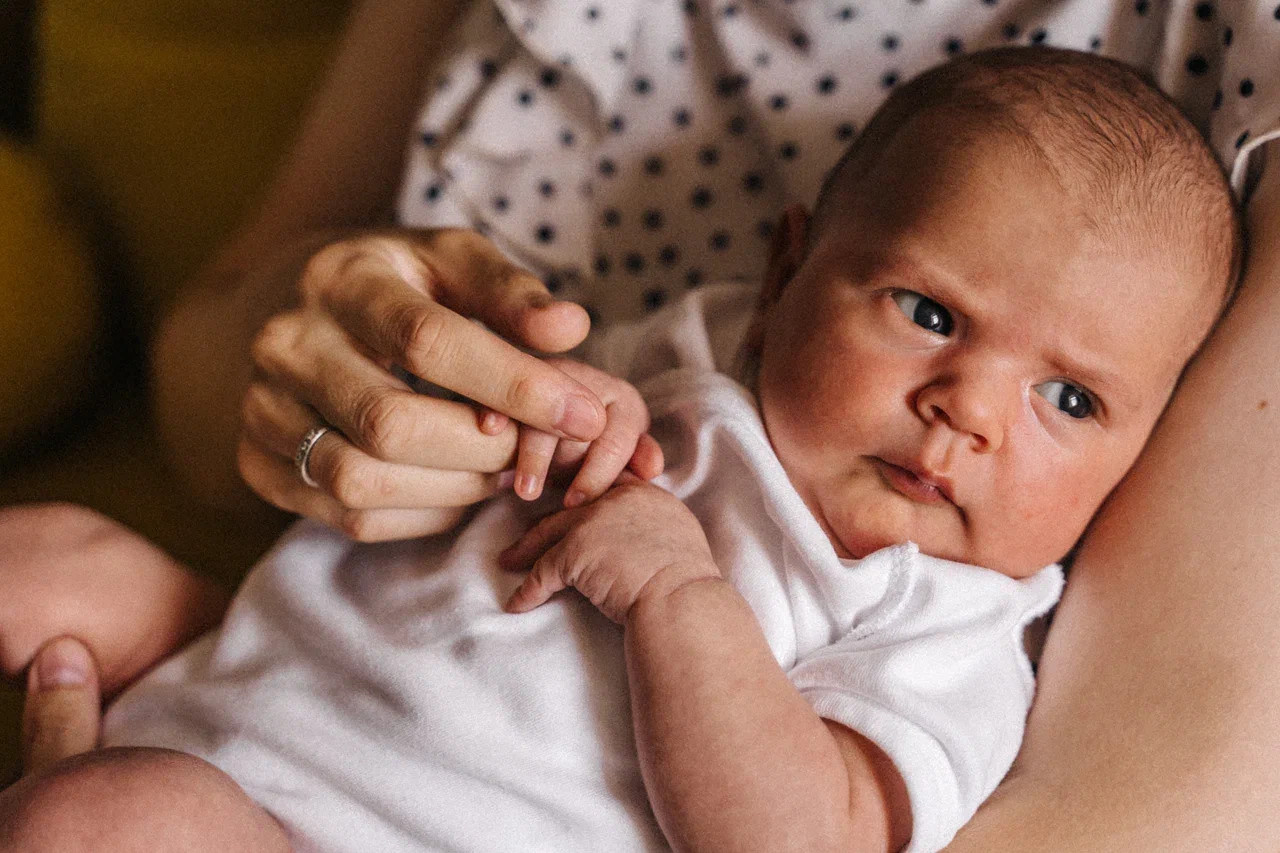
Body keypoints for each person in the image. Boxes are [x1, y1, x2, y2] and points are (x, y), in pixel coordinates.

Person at [7, 1, 1280, 848]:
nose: (968, 410)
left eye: (1070, 400)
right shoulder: (689, 352)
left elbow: (802, 836)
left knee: (107, 820)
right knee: (43, 557)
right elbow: (334, 413)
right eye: (927, 312)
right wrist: (493, 383)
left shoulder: (942, 621)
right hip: (267, 672)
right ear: (785, 276)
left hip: (365, 826)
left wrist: (679, 597)